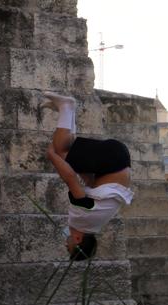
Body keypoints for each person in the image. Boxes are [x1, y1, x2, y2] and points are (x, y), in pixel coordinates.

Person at [42, 92, 133, 261]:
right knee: (60, 149)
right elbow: (70, 179)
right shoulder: (81, 220)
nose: (65, 245)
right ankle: (66, 106)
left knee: (67, 150)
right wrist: (52, 156)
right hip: (112, 161)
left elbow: (91, 182)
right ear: (77, 240)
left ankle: (66, 111)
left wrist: (72, 162)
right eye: (69, 248)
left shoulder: (95, 223)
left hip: (119, 159)